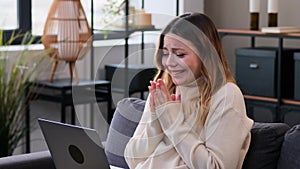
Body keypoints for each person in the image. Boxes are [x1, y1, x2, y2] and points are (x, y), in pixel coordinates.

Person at [124, 12, 254, 169]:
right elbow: (131, 159)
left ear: (205, 54)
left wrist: (172, 121)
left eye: (180, 54)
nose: (169, 63)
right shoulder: (165, 89)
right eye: (165, 53)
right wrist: (155, 121)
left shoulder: (226, 95)